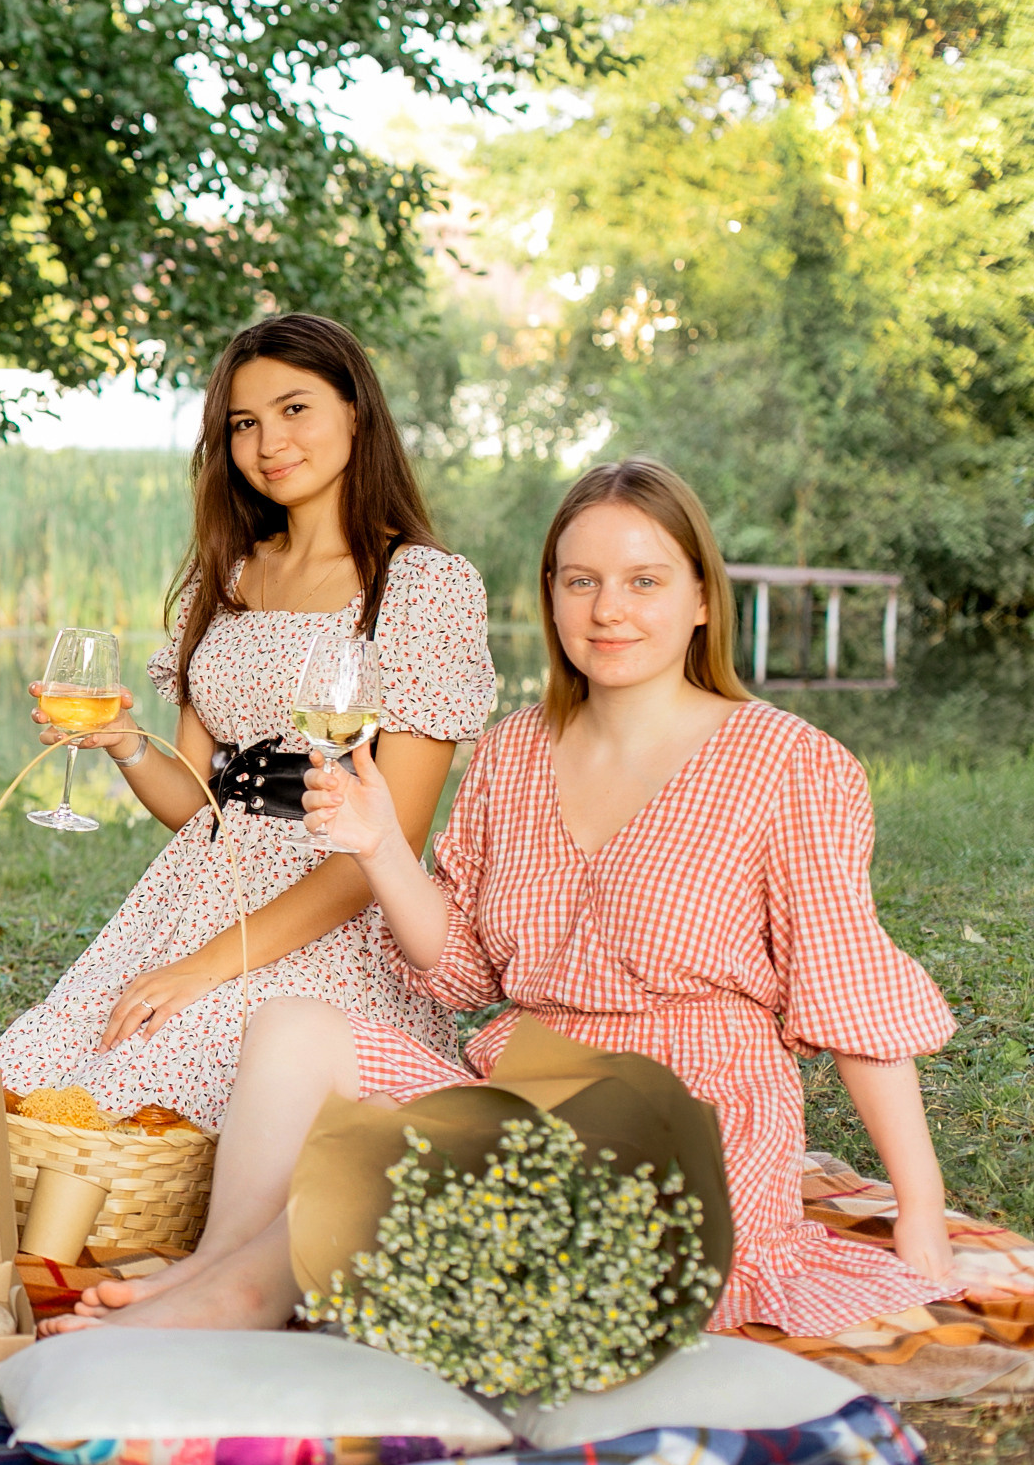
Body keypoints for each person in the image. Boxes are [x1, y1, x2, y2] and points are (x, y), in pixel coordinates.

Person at [60, 459, 960, 1339]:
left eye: (643, 580)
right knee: (296, 1027)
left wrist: (920, 1212)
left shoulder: (790, 763)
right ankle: (216, 1265)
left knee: (442, 1158)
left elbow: (852, 1000)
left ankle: (241, 1300)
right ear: (551, 596)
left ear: (699, 599)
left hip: (690, 1112)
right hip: (529, 1083)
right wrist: (378, 846)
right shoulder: (512, 753)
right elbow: (459, 968)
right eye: (581, 581)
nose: (608, 609)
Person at [0, 314, 496, 1128]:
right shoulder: (226, 577)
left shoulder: (422, 586)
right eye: (244, 423)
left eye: (295, 409)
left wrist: (203, 969)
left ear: (355, 412)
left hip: (325, 917)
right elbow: (198, 808)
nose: (268, 443)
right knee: (28, 1085)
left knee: (154, 1089)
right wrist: (122, 744)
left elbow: (381, 849)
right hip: (192, 900)